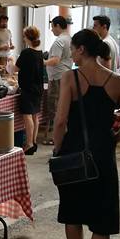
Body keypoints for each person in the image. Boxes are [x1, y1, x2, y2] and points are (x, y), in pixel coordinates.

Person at [52, 30, 120, 239]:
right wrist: (113, 140)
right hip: (102, 154)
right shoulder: (119, 81)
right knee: (102, 221)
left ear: (79, 51)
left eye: (73, 49)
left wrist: (57, 147)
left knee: (73, 213)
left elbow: (60, 121)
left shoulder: (70, 78)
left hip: (73, 154)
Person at [41, 15, 72, 144]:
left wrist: (42, 62)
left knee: (55, 107)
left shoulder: (59, 41)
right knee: (64, 106)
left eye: (52, 27)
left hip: (57, 77)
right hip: (65, 75)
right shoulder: (69, 38)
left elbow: (55, 60)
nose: (52, 30)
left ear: (58, 26)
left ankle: (55, 137)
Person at [13, 26, 44, 155]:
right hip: (37, 88)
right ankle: (34, 142)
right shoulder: (39, 52)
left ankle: (29, 144)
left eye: (24, 35)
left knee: (27, 117)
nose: (23, 37)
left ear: (27, 37)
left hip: (27, 88)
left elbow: (14, 69)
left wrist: (9, 63)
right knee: (35, 115)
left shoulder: (26, 53)